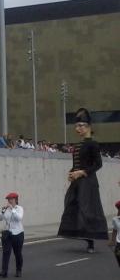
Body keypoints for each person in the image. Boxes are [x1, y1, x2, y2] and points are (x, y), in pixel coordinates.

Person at [57, 108, 108, 253]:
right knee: (72, 205)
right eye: (76, 126)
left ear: (88, 127)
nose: (78, 129)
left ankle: (91, 241)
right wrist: (71, 172)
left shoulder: (93, 144)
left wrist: (82, 172)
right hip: (77, 181)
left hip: (88, 182)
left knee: (87, 210)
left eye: (81, 126)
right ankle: (79, 234)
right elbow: (76, 164)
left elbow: (98, 164)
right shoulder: (77, 145)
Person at [0, 192, 24, 278]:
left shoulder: (19, 208)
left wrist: (12, 209)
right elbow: (0, 219)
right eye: (8, 199)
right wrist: (2, 211)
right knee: (6, 253)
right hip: (7, 234)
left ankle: (18, 270)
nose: (9, 201)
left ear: (16, 200)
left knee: (17, 253)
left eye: (11, 199)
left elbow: (19, 218)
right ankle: (4, 271)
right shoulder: (6, 209)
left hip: (18, 234)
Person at [109, 201, 120, 267]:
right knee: (117, 255)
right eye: (118, 208)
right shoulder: (115, 219)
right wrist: (112, 240)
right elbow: (115, 230)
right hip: (119, 243)